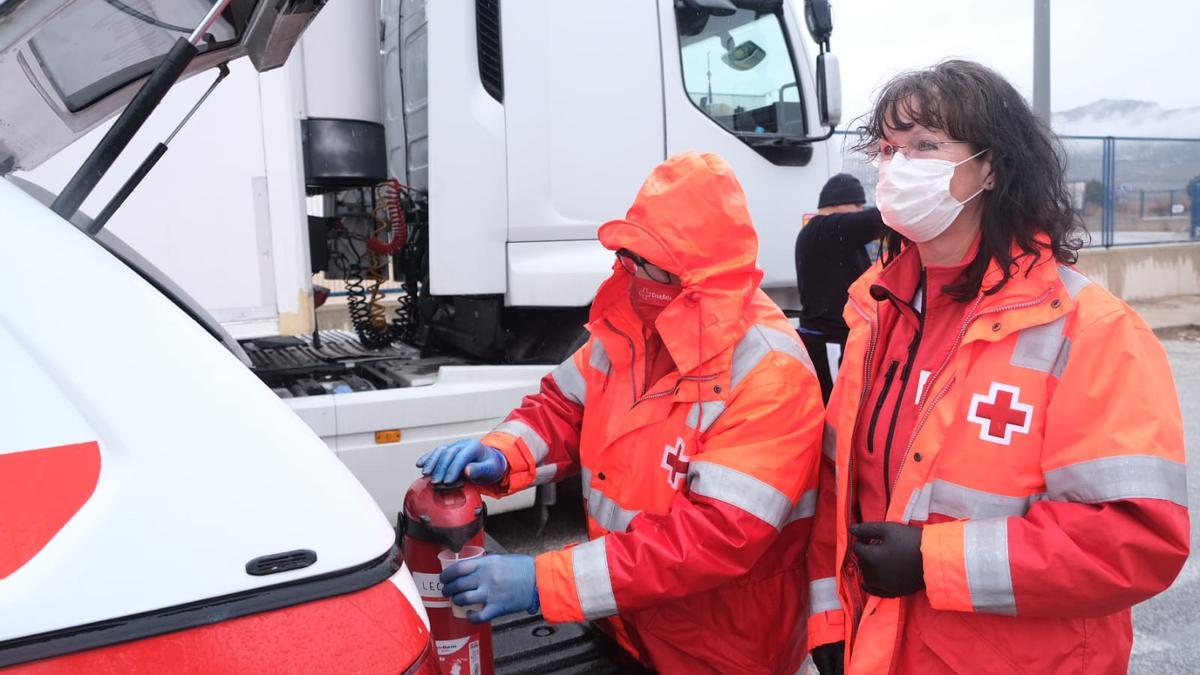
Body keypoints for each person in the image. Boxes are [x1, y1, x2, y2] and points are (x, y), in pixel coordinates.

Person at [810, 60, 1189, 674]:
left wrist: (935, 560)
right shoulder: (876, 312)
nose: (898, 168)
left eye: (926, 146)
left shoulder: (1089, 328)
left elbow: (1136, 542)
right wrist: (829, 623)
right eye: (888, 150)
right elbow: (839, 488)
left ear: (990, 166)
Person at [417, 152, 829, 674]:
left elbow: (711, 538)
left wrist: (545, 582)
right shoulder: (632, 328)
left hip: (722, 649)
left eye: (645, 262)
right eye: (628, 257)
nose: (630, 274)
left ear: (694, 274)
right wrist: (500, 455)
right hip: (625, 623)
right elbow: (561, 408)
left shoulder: (770, 374)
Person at [794, 173, 885, 403]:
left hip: (830, 341)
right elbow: (879, 219)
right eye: (857, 204)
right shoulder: (828, 229)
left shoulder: (822, 233)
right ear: (837, 202)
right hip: (829, 344)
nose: (860, 210)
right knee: (835, 412)